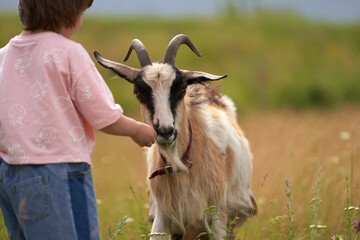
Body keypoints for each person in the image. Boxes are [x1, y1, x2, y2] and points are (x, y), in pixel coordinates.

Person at [0, 0, 157, 239]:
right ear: (67, 14)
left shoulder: (3, 56)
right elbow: (102, 115)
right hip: (59, 173)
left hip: (9, 174)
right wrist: (137, 129)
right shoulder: (69, 53)